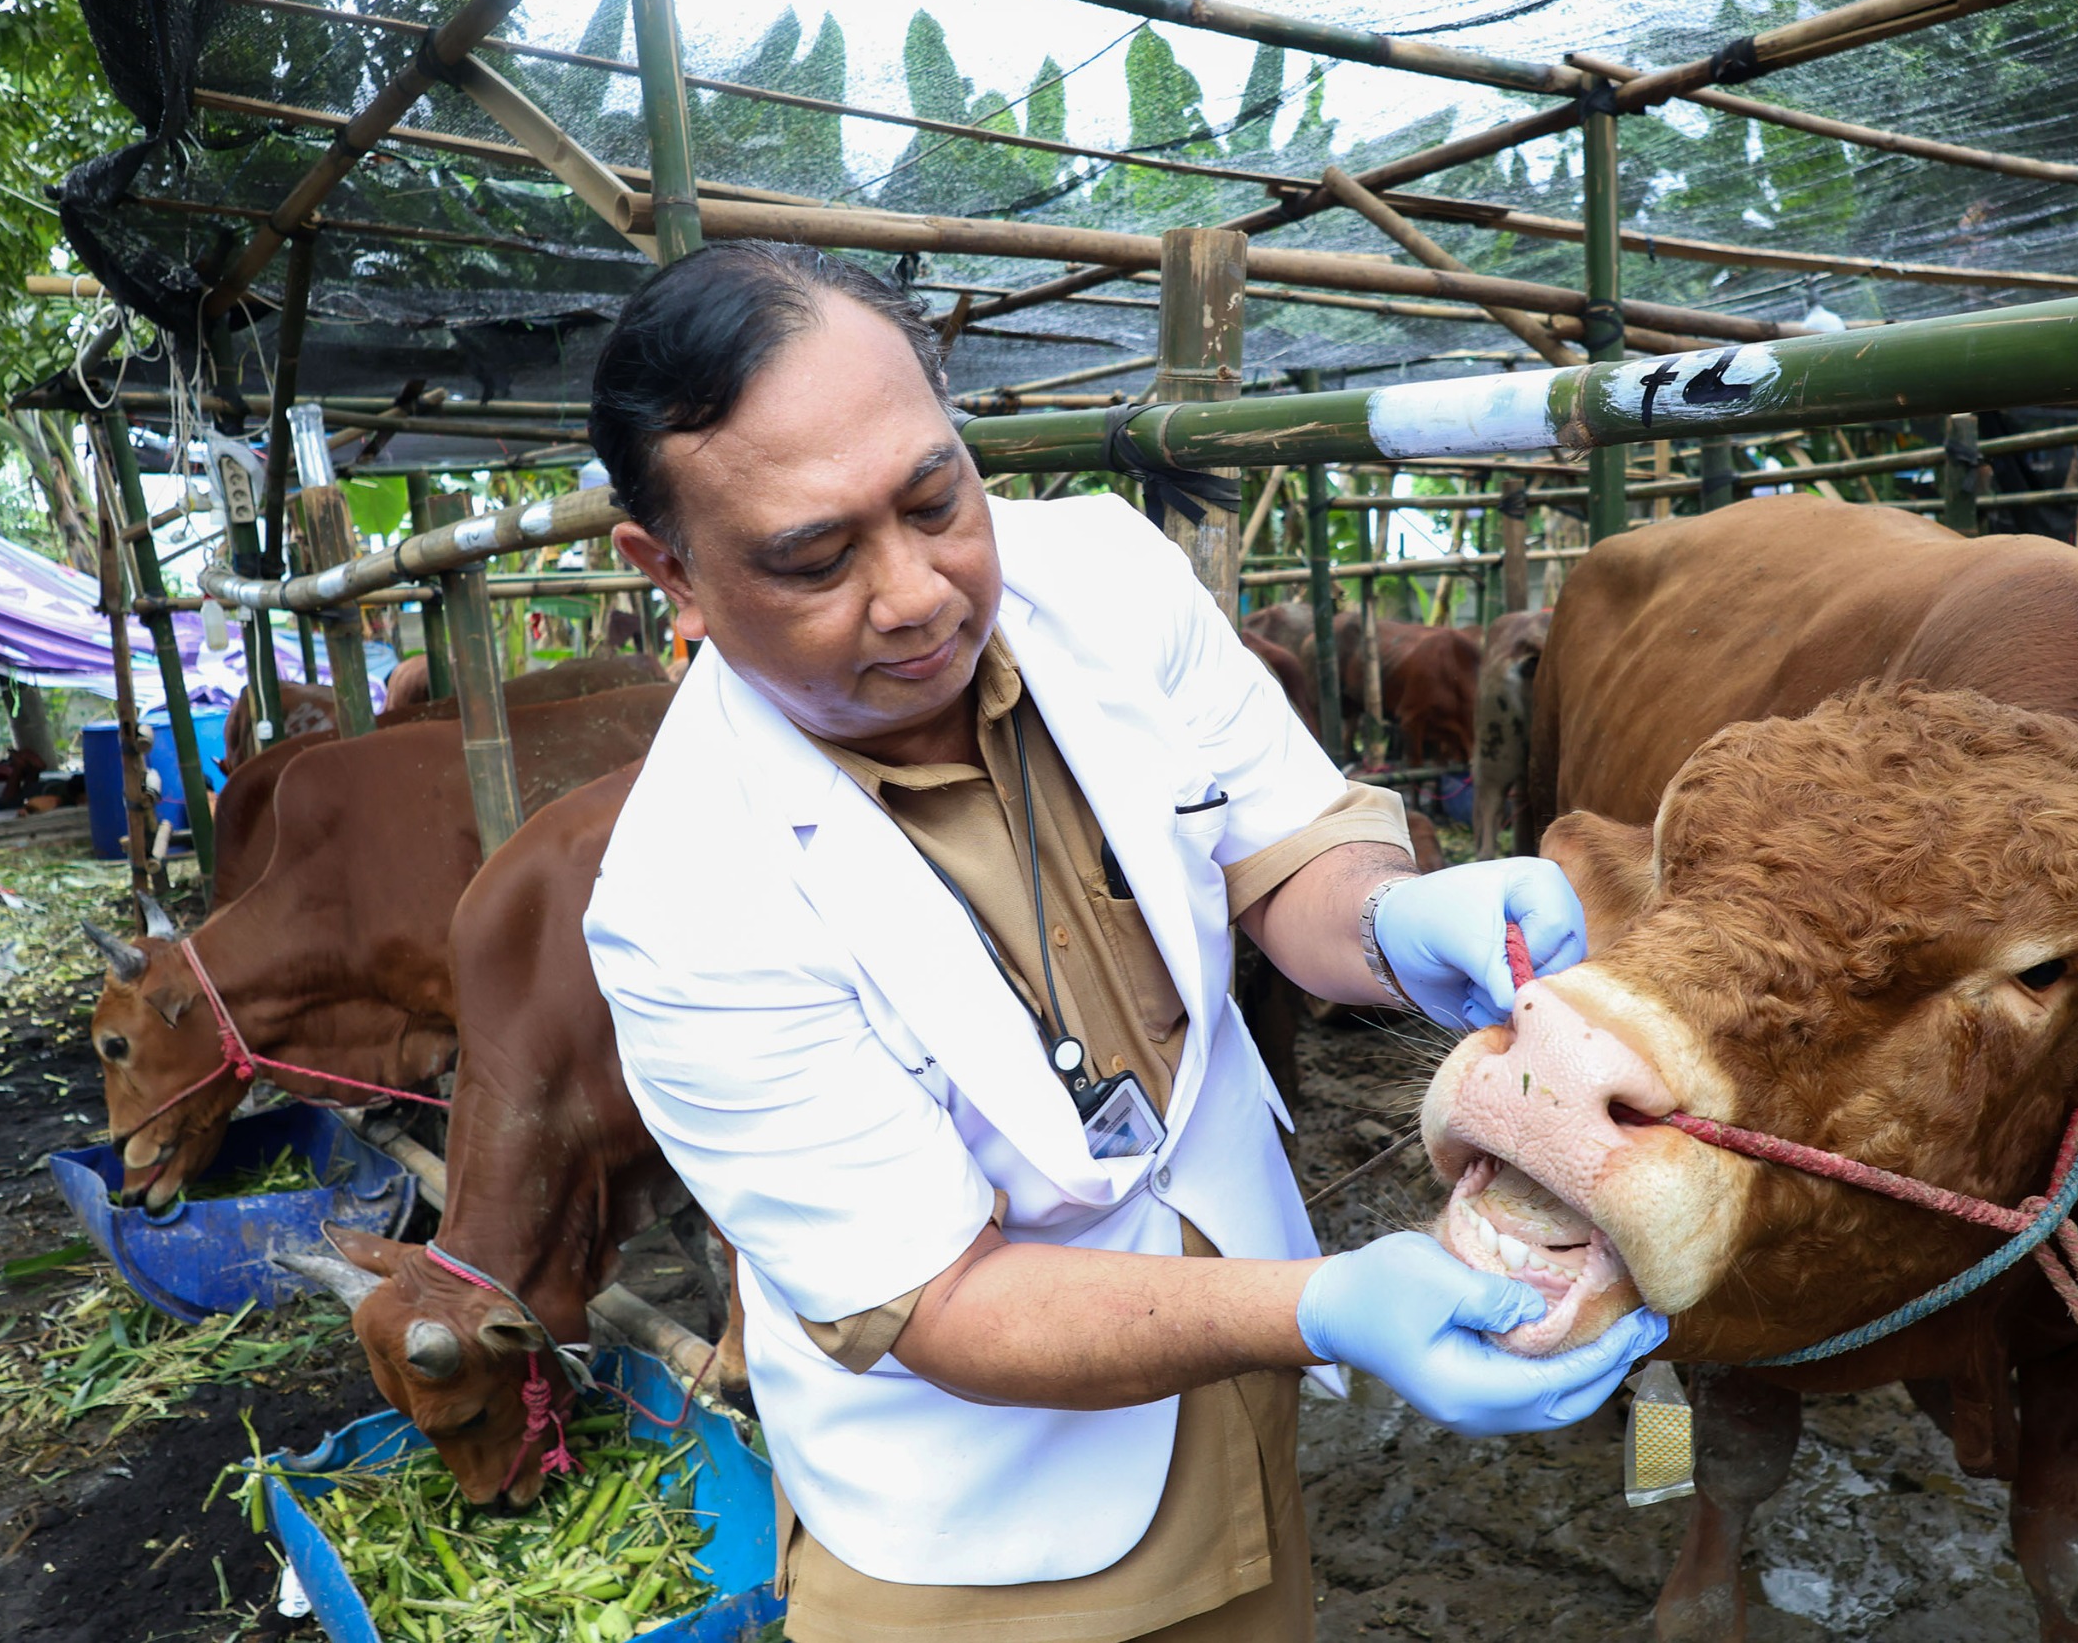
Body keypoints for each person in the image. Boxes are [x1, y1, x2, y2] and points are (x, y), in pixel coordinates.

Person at [583, 241, 1666, 1642]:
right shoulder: (682, 907)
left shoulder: (1094, 570)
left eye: (935, 496)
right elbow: (952, 1300)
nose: (916, 592)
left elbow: (1284, 855)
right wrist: (1323, 1303)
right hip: (983, 1522)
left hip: (1233, 1390)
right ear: (664, 568)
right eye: (815, 555)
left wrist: (1390, 917)